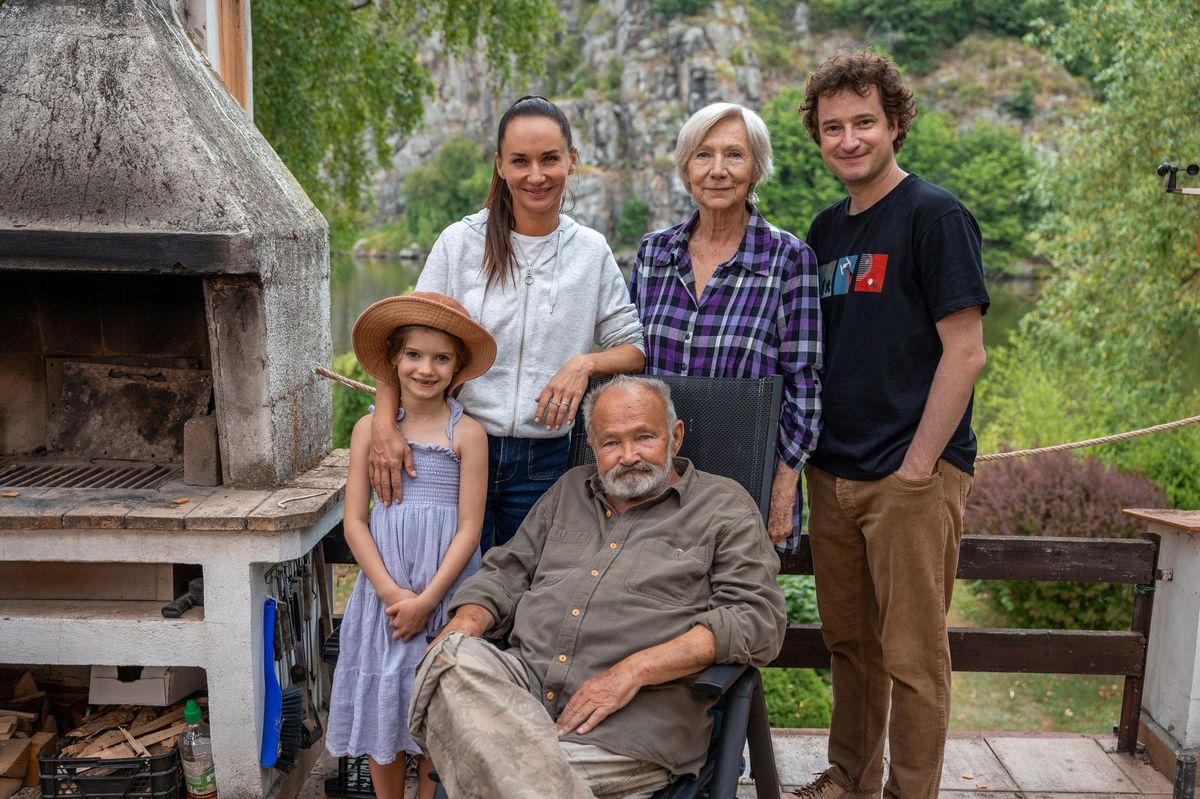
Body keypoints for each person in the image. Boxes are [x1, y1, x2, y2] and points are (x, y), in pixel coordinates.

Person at [407, 375, 787, 799]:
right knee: (451, 655)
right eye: (611, 443)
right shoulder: (568, 490)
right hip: (521, 693)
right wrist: (469, 622)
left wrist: (633, 670)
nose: (629, 456)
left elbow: (757, 619)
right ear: (592, 445)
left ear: (675, 437)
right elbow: (505, 573)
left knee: (490, 765)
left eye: (644, 437)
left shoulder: (724, 508)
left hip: (627, 730)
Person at [792, 52, 989, 799]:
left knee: (913, 655)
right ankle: (850, 778)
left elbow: (964, 353)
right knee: (851, 646)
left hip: (910, 477)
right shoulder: (824, 230)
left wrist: (917, 466)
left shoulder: (934, 216)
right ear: (817, 137)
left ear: (896, 123)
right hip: (834, 473)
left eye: (864, 122)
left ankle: (912, 791)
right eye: (833, 127)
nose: (849, 139)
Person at [371, 96, 645, 553]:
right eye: (520, 161)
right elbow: (405, 336)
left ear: (571, 160)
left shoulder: (591, 251)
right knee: (450, 576)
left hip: (546, 458)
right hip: (454, 444)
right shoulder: (461, 242)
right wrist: (384, 423)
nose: (535, 175)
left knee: (527, 588)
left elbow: (632, 348)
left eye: (550, 159)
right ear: (500, 165)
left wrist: (584, 363)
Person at [629, 101, 821, 551]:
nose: (718, 170)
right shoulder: (653, 254)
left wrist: (784, 486)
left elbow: (806, 386)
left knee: (736, 615)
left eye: (734, 155)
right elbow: (633, 365)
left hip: (744, 482)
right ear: (685, 168)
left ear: (755, 168)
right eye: (703, 155)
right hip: (658, 481)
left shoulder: (789, 260)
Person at [327, 292, 496, 799]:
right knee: (387, 692)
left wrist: (426, 601)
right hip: (386, 593)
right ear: (395, 361)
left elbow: (470, 528)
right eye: (414, 355)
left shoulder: (468, 434)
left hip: (444, 588)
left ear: (458, 367)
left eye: (441, 358)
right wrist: (391, 593)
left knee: (435, 699)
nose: (426, 368)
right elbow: (355, 521)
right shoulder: (368, 432)